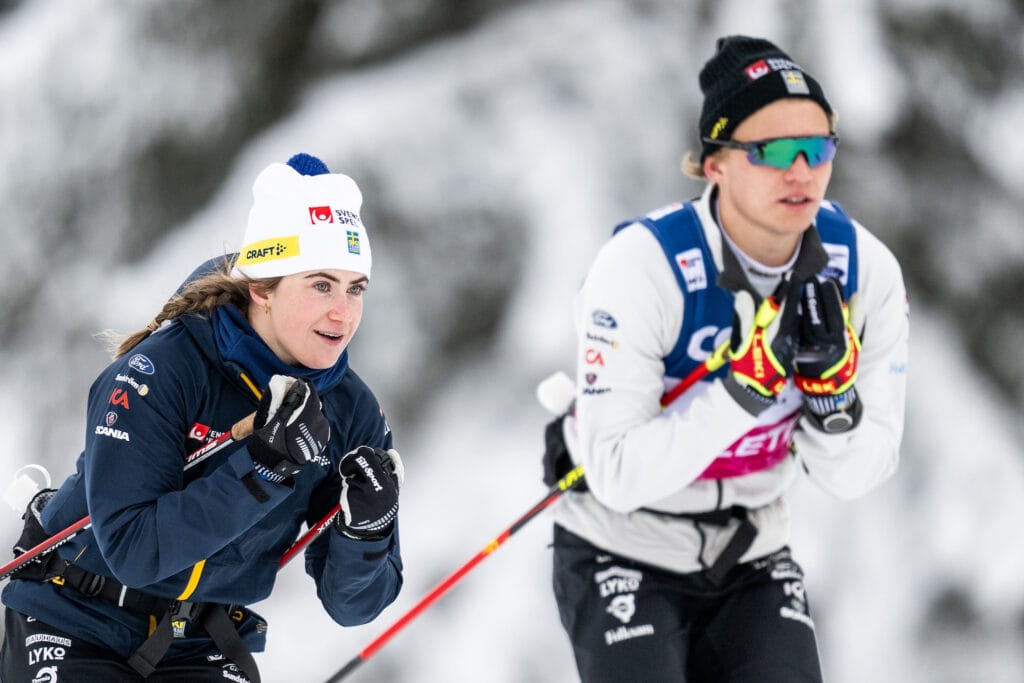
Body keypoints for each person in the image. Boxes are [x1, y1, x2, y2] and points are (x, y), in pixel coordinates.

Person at [541, 36, 908, 682]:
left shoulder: (863, 270)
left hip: (751, 549)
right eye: (771, 152)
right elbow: (618, 473)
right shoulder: (644, 267)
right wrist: (744, 390)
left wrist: (831, 403)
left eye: (817, 148)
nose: (801, 172)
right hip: (622, 545)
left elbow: (860, 471)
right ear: (715, 163)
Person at [1, 153, 404, 682]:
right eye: (321, 285)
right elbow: (133, 549)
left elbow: (353, 607)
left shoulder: (351, 411)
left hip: (199, 643)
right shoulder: (160, 370)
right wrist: (264, 470)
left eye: (356, 288)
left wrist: (367, 532)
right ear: (261, 287)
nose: (343, 313)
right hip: (78, 617)